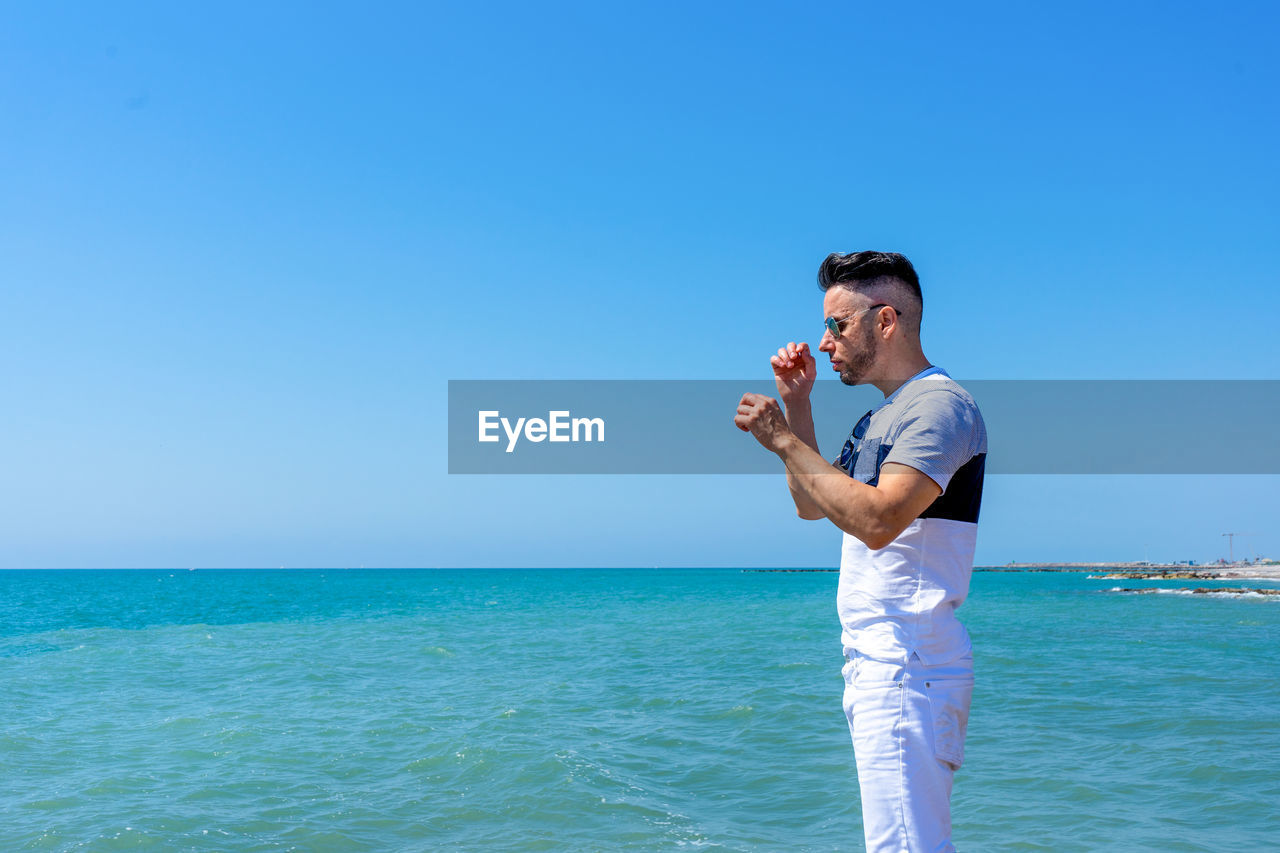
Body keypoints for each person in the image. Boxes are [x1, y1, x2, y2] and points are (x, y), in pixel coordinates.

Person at [733, 251, 987, 853]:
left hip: (909, 664)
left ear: (887, 320)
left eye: (838, 324)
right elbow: (814, 506)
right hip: (884, 663)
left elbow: (877, 521)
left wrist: (780, 441)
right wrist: (797, 408)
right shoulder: (882, 419)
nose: (824, 342)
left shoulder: (938, 407)